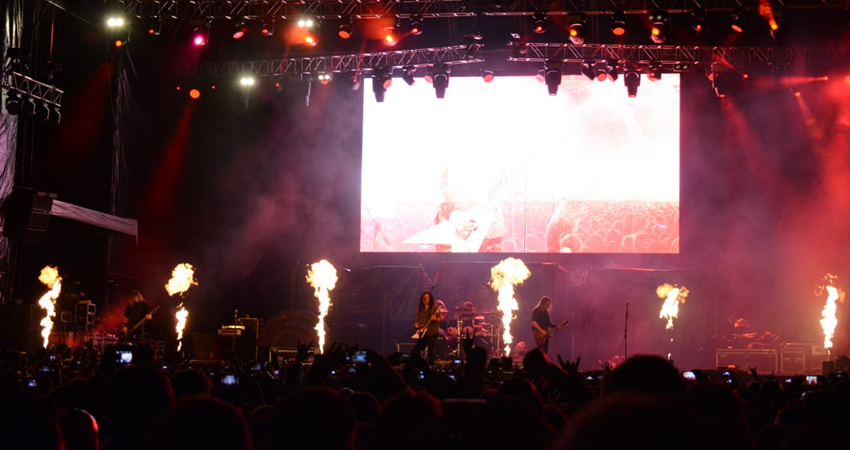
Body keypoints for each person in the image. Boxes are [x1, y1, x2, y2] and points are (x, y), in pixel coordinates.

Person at [411, 292, 442, 366]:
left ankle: (431, 366)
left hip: (432, 332)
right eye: (424, 297)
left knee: (431, 350)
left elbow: (439, 319)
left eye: (427, 297)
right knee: (416, 349)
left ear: (430, 298)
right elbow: (417, 321)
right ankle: (415, 364)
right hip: (424, 332)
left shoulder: (434, 308)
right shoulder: (420, 309)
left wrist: (435, 318)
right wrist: (417, 329)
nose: (425, 298)